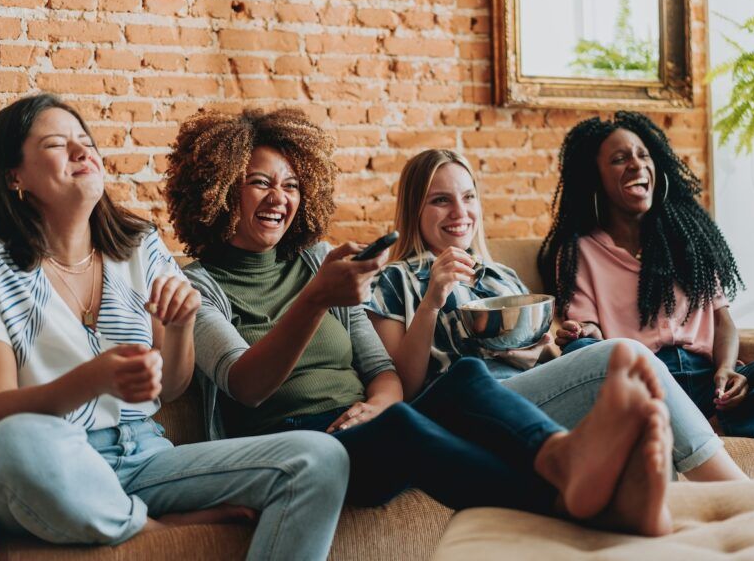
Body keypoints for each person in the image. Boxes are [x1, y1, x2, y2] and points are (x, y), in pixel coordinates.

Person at [166, 108, 677, 537]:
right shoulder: (198, 285)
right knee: (407, 426)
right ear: (219, 188)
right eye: (261, 183)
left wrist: (375, 406)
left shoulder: (318, 259)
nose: (280, 197)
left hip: (362, 421)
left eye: (292, 185)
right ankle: (578, 500)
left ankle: (563, 458)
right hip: (292, 442)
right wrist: (316, 300)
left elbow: (381, 370)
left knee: (466, 379)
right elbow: (246, 385)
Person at [0, 94, 350, 560]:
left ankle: (126, 513)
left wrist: (178, 328)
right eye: (57, 144)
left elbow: (173, 387)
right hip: (57, 459)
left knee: (318, 458)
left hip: (148, 457)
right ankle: (145, 523)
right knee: (12, 444)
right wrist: (93, 379)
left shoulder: (139, 246)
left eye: (84, 140)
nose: (82, 152)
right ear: (14, 176)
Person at [366, 148, 747, 482]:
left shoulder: (502, 276)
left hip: (532, 399)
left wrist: (546, 348)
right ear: (415, 207)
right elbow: (403, 385)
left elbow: (543, 356)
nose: (460, 212)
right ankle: (738, 492)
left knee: (638, 411)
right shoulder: (393, 280)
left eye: (468, 197)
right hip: (463, 409)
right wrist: (433, 298)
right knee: (623, 356)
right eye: (440, 201)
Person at [538, 110, 754, 451]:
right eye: (620, 159)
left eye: (643, 155)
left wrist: (727, 370)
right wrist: (584, 332)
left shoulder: (687, 239)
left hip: (708, 383)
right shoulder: (580, 251)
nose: (637, 165)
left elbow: (722, 320)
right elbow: (591, 337)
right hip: (646, 384)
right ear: (596, 178)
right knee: (582, 352)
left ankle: (723, 424)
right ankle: (746, 426)